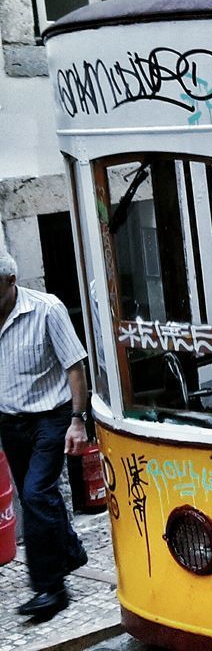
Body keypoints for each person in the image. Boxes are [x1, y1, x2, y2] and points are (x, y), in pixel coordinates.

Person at [0, 251, 90, 620]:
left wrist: (77, 420)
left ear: (10, 281)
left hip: (50, 418)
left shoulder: (47, 309)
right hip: (10, 420)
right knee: (35, 496)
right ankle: (69, 550)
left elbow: (75, 366)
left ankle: (50, 588)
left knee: (37, 494)